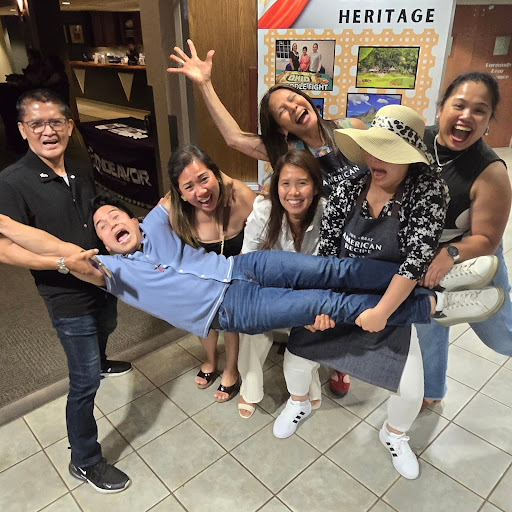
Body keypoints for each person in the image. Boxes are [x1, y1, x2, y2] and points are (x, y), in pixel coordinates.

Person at [281, 104, 502, 479]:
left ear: (409, 158)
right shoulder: (349, 185)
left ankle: (394, 435)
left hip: (392, 296)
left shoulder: (428, 191)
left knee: (411, 391)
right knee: (297, 358)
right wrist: (322, 302)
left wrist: (382, 312)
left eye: (388, 152)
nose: (375, 159)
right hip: (341, 290)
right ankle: (299, 402)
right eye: (372, 148)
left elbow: (415, 261)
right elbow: (329, 250)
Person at [0, 194, 498, 344]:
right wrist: (9, 227)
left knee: (335, 270)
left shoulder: (154, 223)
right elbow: (48, 245)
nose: (111, 224)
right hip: (232, 307)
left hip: (244, 264)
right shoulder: (109, 270)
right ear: (102, 242)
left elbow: (189, 177)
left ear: (132, 218)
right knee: (329, 302)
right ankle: (434, 306)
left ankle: (433, 277)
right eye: (102, 226)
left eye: (115, 216)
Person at [0, 89, 131, 493]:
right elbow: (5, 248)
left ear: (70, 126)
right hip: (64, 294)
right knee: (84, 380)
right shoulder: (11, 182)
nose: (48, 131)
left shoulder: (79, 166)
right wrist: (60, 262)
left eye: (56, 122)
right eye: (36, 124)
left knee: (107, 323)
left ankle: (102, 359)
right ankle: (85, 460)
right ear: (22, 130)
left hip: (101, 277)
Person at [416, 72, 512, 409]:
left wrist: (450, 252)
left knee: (501, 336)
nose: (466, 116)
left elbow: (486, 238)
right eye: (459, 105)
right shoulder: (416, 141)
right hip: (426, 257)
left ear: (487, 121)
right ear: (441, 108)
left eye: (479, 110)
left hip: (472, 255)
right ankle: (431, 391)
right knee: (429, 319)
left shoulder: (491, 172)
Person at [237, 149, 325, 419]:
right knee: (250, 323)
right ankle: (250, 386)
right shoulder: (264, 211)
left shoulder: (327, 213)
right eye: (285, 183)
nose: (293, 192)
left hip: (309, 293)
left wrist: (307, 304)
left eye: (302, 183)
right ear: (276, 187)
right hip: (270, 292)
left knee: (318, 318)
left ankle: (309, 379)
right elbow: (247, 264)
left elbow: (330, 270)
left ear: (315, 186)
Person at [168, 145, 255, 402]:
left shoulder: (240, 196)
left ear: (216, 174)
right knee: (200, 314)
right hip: (199, 277)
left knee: (230, 315)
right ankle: (210, 358)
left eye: (204, 179)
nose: (201, 191)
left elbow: (267, 229)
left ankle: (231, 369)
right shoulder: (174, 209)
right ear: (180, 193)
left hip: (236, 274)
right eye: (189, 186)